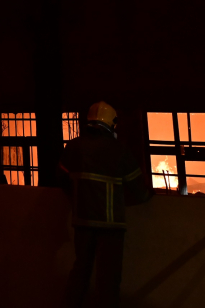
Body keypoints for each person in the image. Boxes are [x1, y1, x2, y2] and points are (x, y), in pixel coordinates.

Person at [57, 101, 151, 308]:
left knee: (80, 272)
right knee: (108, 278)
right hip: (111, 226)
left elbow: (61, 179)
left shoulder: (73, 147)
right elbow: (141, 192)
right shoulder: (119, 151)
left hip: (82, 220)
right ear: (112, 123)